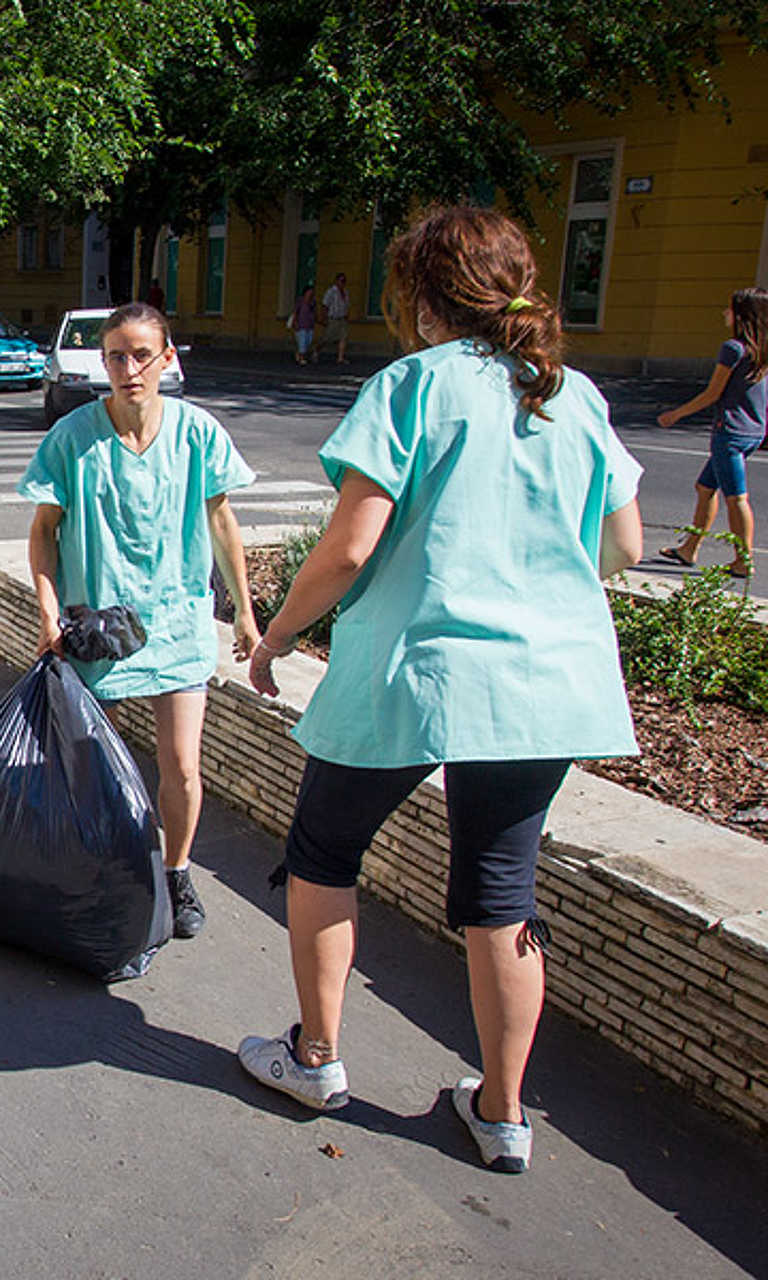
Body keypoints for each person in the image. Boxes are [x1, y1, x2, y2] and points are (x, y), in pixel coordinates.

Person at [239, 208, 644, 1175]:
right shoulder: (572, 394)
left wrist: (281, 632)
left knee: (325, 852)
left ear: (423, 297)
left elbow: (348, 547)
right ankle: (501, 1115)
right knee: (502, 889)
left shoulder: (410, 386)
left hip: (414, 672)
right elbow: (623, 548)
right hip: (543, 684)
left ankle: (317, 1056)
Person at [19, 302, 261, 942]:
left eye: (142, 354)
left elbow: (221, 523)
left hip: (178, 625)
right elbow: (43, 534)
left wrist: (243, 610)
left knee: (181, 766)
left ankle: (177, 873)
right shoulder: (72, 439)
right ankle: (114, 869)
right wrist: (48, 614)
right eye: (117, 356)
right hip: (102, 631)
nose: (130, 368)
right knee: (104, 770)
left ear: (167, 358)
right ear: (102, 363)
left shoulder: (198, 434)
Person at [654, 287, 768, 577]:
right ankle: (689, 548)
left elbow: (712, 393)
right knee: (705, 488)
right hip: (754, 431)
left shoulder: (733, 349)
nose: (724, 313)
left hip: (729, 433)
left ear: (742, 315)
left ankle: (743, 561)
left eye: (729, 309)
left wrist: (676, 414)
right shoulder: (761, 349)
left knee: (736, 498)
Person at [319, 272, 350, 364]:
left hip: (342, 318)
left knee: (343, 337)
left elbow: (347, 305)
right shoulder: (331, 292)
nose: (343, 283)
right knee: (327, 338)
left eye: (344, 281)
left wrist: (347, 315)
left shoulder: (346, 292)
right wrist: (324, 318)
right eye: (341, 281)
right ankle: (316, 350)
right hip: (333, 318)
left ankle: (340, 358)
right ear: (336, 281)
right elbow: (325, 305)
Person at [290, 285, 318, 365]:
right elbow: (295, 312)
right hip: (301, 324)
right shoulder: (300, 301)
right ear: (305, 292)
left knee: (308, 342)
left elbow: (315, 312)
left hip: (310, 325)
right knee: (302, 341)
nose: (311, 293)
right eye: (309, 292)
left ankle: (298, 354)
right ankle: (301, 358)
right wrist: (295, 323)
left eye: (312, 292)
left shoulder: (313, 302)